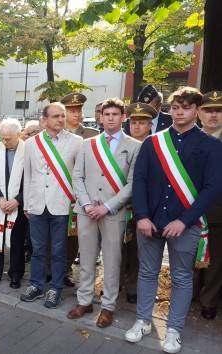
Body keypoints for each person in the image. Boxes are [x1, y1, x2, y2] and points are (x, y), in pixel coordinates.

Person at [125, 87, 222, 353]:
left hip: (185, 225)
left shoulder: (212, 146)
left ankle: (173, 330)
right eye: (175, 107)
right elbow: (140, 181)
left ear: (197, 111)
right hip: (151, 222)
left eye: (187, 107)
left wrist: (185, 220)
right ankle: (143, 320)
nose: (180, 112)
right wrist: (142, 216)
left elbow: (212, 188)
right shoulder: (153, 142)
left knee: (181, 277)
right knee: (147, 273)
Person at [67, 98, 141, 328]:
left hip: (113, 212)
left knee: (112, 261)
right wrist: (88, 204)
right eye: (106, 114)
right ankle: (85, 300)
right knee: (87, 259)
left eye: (115, 114)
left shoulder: (134, 146)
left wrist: (107, 206)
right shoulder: (88, 144)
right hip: (87, 211)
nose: (110, 118)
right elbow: (76, 176)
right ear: (100, 117)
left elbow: (132, 183)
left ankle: (108, 307)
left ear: (123, 117)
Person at [20, 102, 83, 308]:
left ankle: (56, 288)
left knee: (58, 250)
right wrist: (27, 204)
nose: (60, 120)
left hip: (63, 204)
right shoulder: (31, 144)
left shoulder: (76, 142)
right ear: (44, 120)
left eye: (62, 116)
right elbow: (28, 174)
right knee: (37, 249)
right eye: (55, 116)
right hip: (37, 204)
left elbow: (78, 174)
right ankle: (36, 285)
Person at [0, 119, 28, 289]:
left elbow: (32, 179)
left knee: (17, 241)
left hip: (19, 204)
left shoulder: (28, 150)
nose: (5, 141)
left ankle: (16, 274)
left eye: (9, 138)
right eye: (2, 138)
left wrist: (18, 200)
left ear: (19, 134)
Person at [60, 92, 100, 287]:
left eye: (79, 110)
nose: (76, 114)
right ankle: (53, 270)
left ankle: (67, 269)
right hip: (59, 192)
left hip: (82, 194)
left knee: (74, 236)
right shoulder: (56, 134)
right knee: (56, 234)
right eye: (71, 110)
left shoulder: (92, 136)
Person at [119, 103, 155, 305]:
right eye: (133, 122)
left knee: (138, 251)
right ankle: (115, 284)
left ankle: (133, 286)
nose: (137, 126)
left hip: (143, 210)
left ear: (150, 125)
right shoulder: (121, 145)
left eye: (142, 123)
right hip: (120, 206)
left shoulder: (156, 146)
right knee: (116, 249)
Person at [196, 91, 222, 320]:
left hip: (218, 213)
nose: (213, 115)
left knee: (214, 261)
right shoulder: (188, 137)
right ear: (199, 113)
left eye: (218, 110)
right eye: (208, 110)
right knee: (185, 257)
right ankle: (190, 295)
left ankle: (209, 300)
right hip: (186, 213)